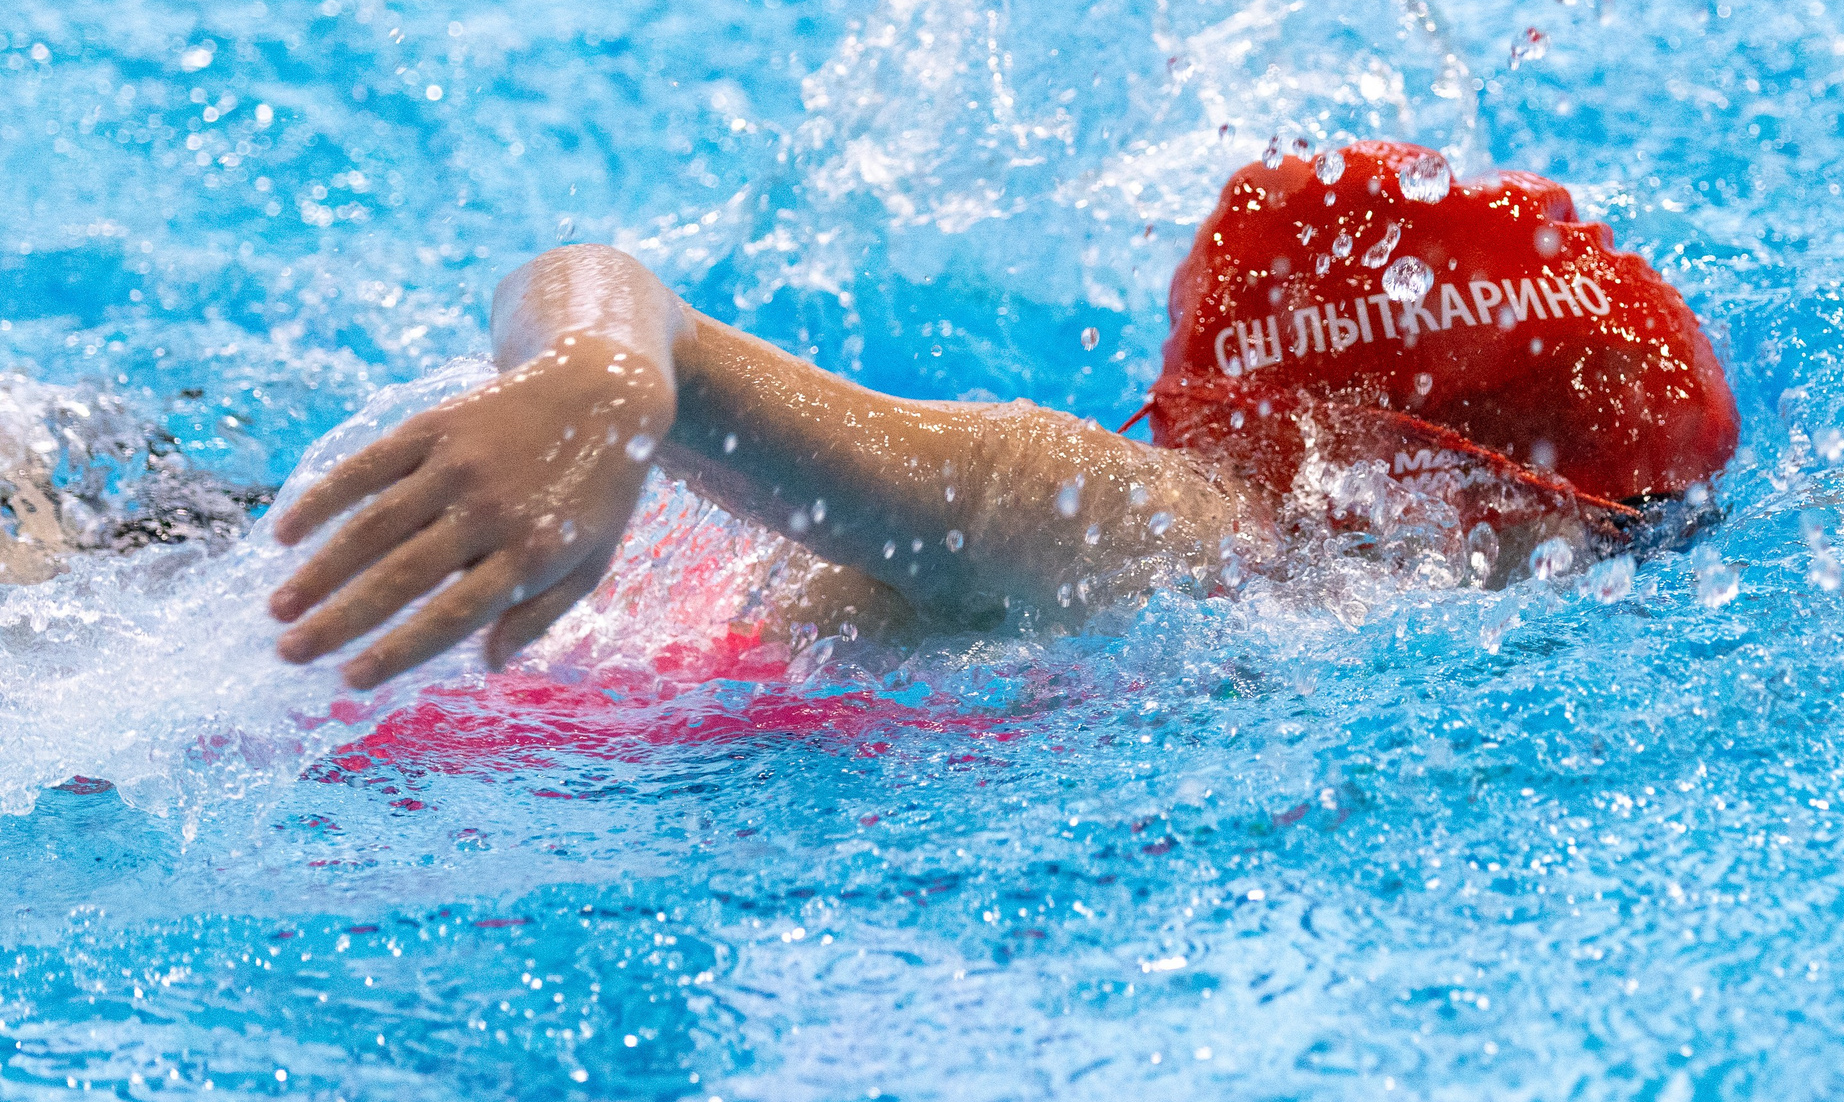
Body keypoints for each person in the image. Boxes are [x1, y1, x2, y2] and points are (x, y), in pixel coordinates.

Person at [267, 141, 1742, 690]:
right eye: (1614, 529)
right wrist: (604, 385)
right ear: (1477, 495)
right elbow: (619, 299)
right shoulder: (1174, 539)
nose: (1614, 564)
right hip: (340, 660)